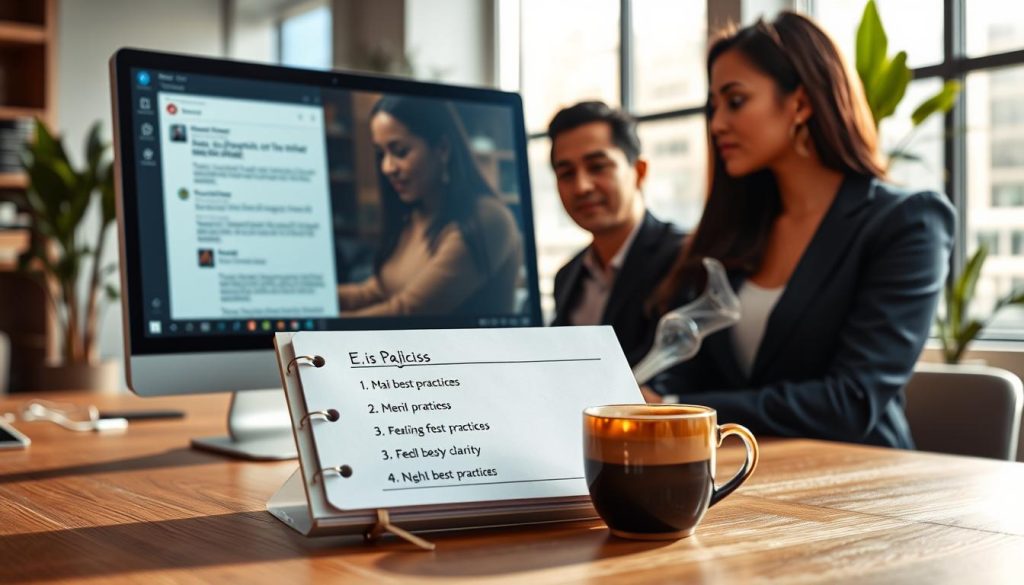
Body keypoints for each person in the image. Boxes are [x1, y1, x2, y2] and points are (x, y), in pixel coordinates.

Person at [645, 12, 956, 449]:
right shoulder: (737, 227)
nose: (716, 124)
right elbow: (690, 364)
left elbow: (852, 401)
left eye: (735, 101)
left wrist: (677, 407)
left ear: (801, 104)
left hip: (864, 481)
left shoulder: (907, 221)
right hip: (744, 471)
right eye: (714, 106)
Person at [338, 96, 522, 317]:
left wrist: (309, 326)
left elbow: (407, 312)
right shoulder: (416, 216)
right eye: (381, 154)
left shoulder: (487, 218)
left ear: (443, 149)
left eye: (400, 151)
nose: (387, 167)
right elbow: (375, 291)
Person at [547, 101, 684, 366]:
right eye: (566, 174)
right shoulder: (567, 276)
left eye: (597, 167)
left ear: (639, 171)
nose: (582, 186)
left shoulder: (682, 258)